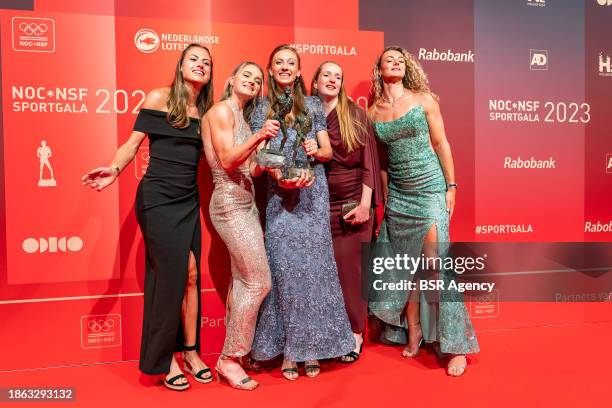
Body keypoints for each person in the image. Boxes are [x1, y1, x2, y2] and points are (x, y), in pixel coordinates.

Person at [82, 43, 214, 390]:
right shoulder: (160, 98)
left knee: (190, 274)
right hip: (157, 199)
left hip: (188, 201)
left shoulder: (205, 111)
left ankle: (191, 350)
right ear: (181, 64)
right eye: (194, 60)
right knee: (168, 278)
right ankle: (163, 358)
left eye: (207, 62)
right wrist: (114, 168)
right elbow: (132, 143)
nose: (201, 65)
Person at [367, 46, 479, 377]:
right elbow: (383, 162)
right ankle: (413, 330)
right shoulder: (373, 113)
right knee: (406, 267)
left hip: (429, 188)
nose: (396, 63)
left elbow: (442, 143)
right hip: (399, 194)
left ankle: (455, 345)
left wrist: (452, 186)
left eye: (400, 60)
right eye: (390, 59)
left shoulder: (423, 99)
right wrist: (387, 196)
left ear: (406, 67)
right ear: (380, 69)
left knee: (436, 264)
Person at [250, 45, 354, 380]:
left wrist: (315, 151)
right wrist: (279, 173)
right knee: (284, 273)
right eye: (278, 62)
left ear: (298, 72)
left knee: (315, 270)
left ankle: (313, 350)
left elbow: (326, 151)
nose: (284, 67)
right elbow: (259, 157)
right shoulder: (261, 107)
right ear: (270, 68)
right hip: (280, 196)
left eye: (290, 64)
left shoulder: (311, 105)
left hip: (313, 194)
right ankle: (290, 352)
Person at [202, 61, 279, 390]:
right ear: (232, 80)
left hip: (247, 203)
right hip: (229, 204)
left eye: (257, 79)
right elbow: (227, 162)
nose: (252, 80)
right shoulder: (221, 111)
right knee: (259, 282)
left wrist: (270, 158)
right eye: (246, 75)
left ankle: (236, 355)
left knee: (242, 282)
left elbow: (249, 168)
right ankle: (230, 358)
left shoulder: (243, 117)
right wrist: (261, 135)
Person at [311, 61, 382, 363]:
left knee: (351, 275)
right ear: (314, 82)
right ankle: (330, 335)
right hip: (314, 204)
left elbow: (370, 163)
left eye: (338, 77)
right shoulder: (306, 115)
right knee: (324, 276)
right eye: (326, 75)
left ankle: (355, 334)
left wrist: (366, 205)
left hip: (352, 204)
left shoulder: (355, 115)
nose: (332, 80)